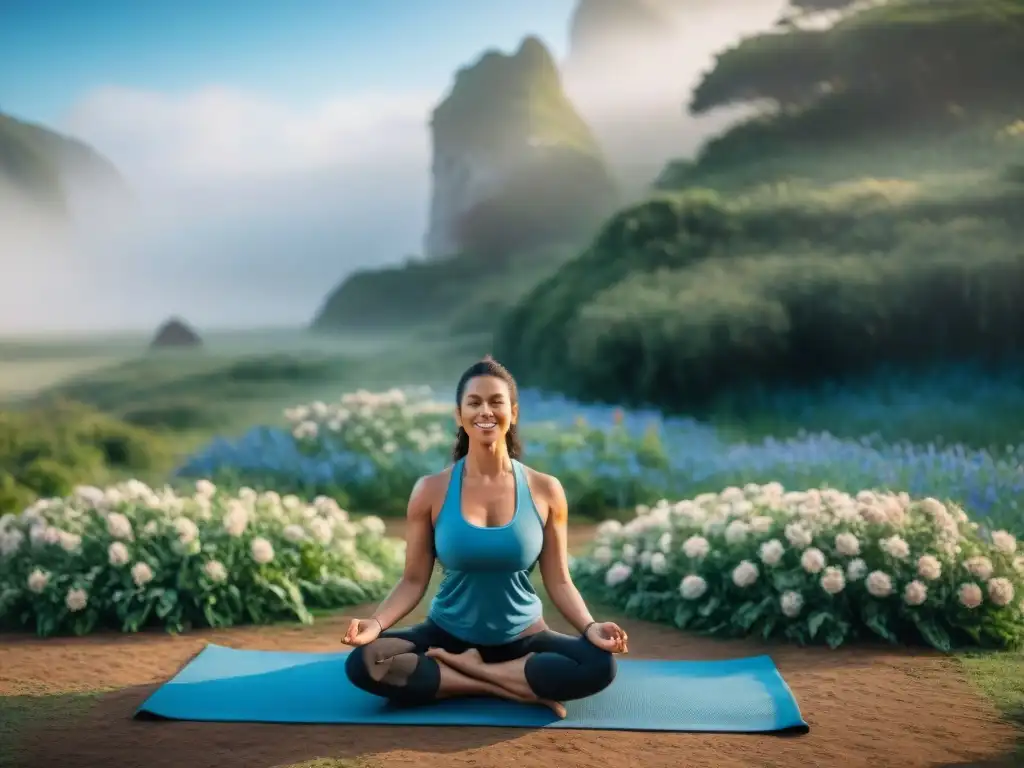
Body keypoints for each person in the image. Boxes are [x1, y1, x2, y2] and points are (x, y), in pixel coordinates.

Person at [342, 356, 628, 718]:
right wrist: (377, 623)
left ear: (514, 412)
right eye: (474, 402)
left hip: (524, 640)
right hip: (445, 635)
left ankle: (460, 674)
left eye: (496, 402)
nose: (485, 411)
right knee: (365, 662)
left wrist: (590, 626)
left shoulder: (545, 490)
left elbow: (559, 579)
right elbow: (414, 580)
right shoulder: (430, 490)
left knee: (599, 665)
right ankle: (502, 684)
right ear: (459, 415)